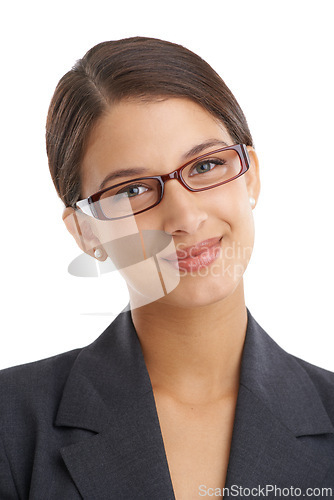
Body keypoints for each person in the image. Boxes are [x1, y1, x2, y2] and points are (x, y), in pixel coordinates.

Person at [1, 36, 334, 500]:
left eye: (206, 166)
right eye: (133, 190)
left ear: (251, 176)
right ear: (86, 232)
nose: (184, 218)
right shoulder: (11, 424)